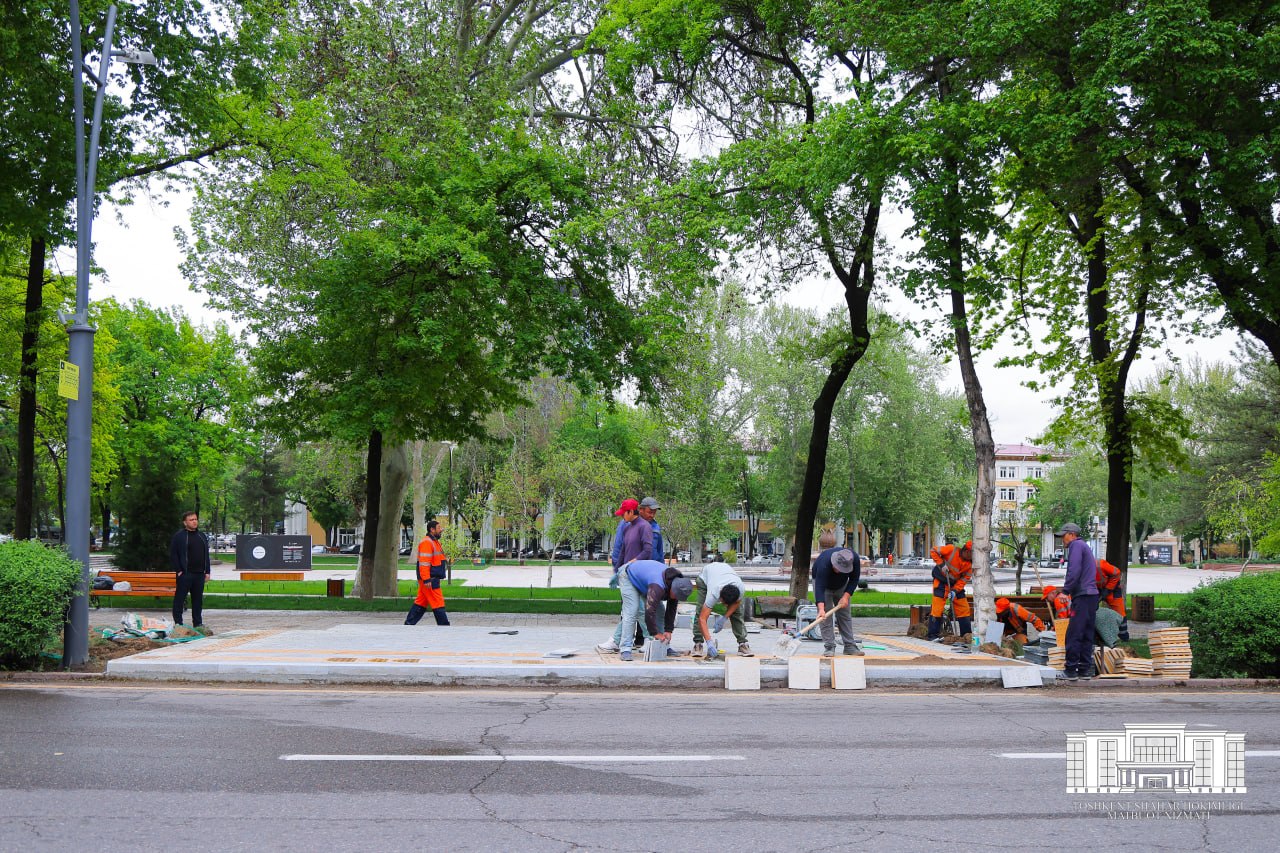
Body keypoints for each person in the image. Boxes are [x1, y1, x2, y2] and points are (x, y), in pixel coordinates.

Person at [598, 499, 650, 653]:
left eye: (623, 514)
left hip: (639, 575)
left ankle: (649, 639)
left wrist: (630, 564)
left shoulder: (644, 527)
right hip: (627, 576)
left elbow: (647, 551)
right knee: (630, 610)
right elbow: (622, 551)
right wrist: (618, 570)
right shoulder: (627, 527)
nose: (622, 517)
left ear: (631, 511)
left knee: (638, 610)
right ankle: (619, 640)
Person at [617, 558, 693, 661]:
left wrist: (668, 630)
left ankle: (664, 645)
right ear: (673, 588)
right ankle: (625, 649)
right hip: (629, 577)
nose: (676, 598)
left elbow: (671, 609)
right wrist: (655, 633)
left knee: (660, 611)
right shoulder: (658, 586)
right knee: (632, 611)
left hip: (645, 581)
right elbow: (650, 611)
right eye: (676, 595)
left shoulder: (677, 584)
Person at [1058, 521, 1100, 680]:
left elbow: (1074, 570)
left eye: (1063, 535)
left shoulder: (1075, 545)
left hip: (1082, 596)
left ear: (1072, 534)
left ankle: (1070, 670)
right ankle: (1084, 670)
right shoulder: (1084, 546)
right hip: (1091, 596)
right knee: (1087, 633)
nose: (1062, 539)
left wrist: (1065, 591)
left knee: (1074, 633)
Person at [812, 530, 863, 656]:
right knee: (825, 617)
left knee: (845, 615)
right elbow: (819, 587)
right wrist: (821, 609)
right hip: (823, 586)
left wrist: (846, 596)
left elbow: (854, 580)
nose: (839, 571)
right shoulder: (824, 563)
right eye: (837, 568)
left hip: (842, 585)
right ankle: (829, 647)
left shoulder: (854, 559)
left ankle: (850, 646)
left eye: (842, 569)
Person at [691, 560, 751, 657]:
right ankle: (698, 643)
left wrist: (725, 617)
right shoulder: (714, 593)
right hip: (705, 577)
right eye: (724, 603)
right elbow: (702, 618)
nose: (725, 606)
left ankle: (743, 643)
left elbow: (736, 603)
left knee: (737, 612)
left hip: (723, 573)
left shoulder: (740, 589)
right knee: (700, 611)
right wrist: (709, 642)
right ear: (720, 597)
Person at [170, 510, 211, 629]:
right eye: (191, 520)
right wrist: (179, 570)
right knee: (180, 599)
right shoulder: (179, 536)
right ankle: (178, 623)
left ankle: (198, 623)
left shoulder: (201, 536)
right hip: (185, 574)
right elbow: (173, 554)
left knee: (197, 601)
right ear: (185, 522)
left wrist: (207, 571)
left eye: (195, 519)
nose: (194, 522)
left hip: (199, 574)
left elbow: (206, 555)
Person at [405, 520, 450, 626]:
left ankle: (409, 624)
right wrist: (426, 579)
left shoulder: (434, 541)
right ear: (432, 530)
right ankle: (444, 626)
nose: (441, 530)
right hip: (430, 579)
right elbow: (424, 563)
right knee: (437, 601)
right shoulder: (427, 542)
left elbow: (436, 558)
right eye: (439, 528)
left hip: (430, 578)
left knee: (421, 601)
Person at [928, 540, 973, 640]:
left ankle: (966, 636)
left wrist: (955, 591)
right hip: (941, 581)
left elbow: (963, 580)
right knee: (937, 608)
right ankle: (933, 636)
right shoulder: (951, 549)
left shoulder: (970, 565)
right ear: (967, 551)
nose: (974, 557)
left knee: (964, 609)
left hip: (955, 585)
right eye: (973, 554)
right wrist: (941, 564)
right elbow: (933, 550)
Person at [1096, 558, 1129, 640]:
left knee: (1120, 613)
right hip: (1095, 590)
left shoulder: (1101, 564)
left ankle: (1123, 636)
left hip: (1113, 589)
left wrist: (1108, 589)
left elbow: (1117, 573)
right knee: (1090, 611)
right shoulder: (1081, 568)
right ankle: (1095, 637)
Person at [638, 496, 665, 563]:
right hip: (636, 566)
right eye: (650, 512)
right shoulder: (630, 524)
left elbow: (660, 551)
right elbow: (619, 548)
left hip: (653, 566)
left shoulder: (656, 527)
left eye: (654, 513)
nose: (652, 515)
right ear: (641, 510)